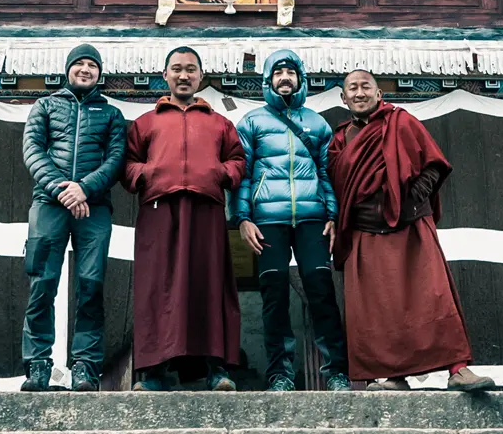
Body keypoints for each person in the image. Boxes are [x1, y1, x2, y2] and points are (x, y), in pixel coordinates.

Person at [327, 69, 496, 392]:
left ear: (379, 94)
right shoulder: (339, 139)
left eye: (366, 87)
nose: (359, 93)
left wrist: (412, 196)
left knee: (433, 295)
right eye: (353, 88)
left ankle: (458, 369)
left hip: (410, 225)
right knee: (379, 306)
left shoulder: (401, 122)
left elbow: (434, 164)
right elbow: (337, 185)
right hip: (365, 230)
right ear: (343, 98)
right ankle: (394, 377)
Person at [123, 46, 246, 391]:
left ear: (200, 77)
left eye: (191, 70)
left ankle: (217, 370)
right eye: (176, 69)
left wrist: (219, 173)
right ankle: (155, 374)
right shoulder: (147, 122)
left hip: (206, 210)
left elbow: (238, 160)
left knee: (210, 285)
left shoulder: (219, 123)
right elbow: (128, 163)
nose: (183, 75)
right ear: (165, 75)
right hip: (159, 211)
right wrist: (148, 174)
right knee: (157, 289)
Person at [230, 50, 350, 392]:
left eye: (290, 72)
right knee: (274, 291)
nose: (285, 77)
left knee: (321, 289)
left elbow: (327, 173)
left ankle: (337, 372)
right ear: (268, 80)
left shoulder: (317, 123)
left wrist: (332, 215)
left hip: (312, 217)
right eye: (278, 72)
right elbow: (244, 174)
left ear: (300, 79)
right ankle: (279, 373)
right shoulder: (252, 122)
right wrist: (242, 218)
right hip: (268, 219)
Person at [20, 44, 127, 392]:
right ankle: (37, 364)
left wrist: (84, 190)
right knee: (42, 283)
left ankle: (85, 366)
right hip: (49, 204)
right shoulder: (46, 106)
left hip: (93, 208)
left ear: (100, 73)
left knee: (91, 286)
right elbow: (33, 150)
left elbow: (115, 161)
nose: (85, 70)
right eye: (79, 64)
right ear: (68, 69)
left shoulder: (111, 115)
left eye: (92, 65)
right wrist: (63, 190)